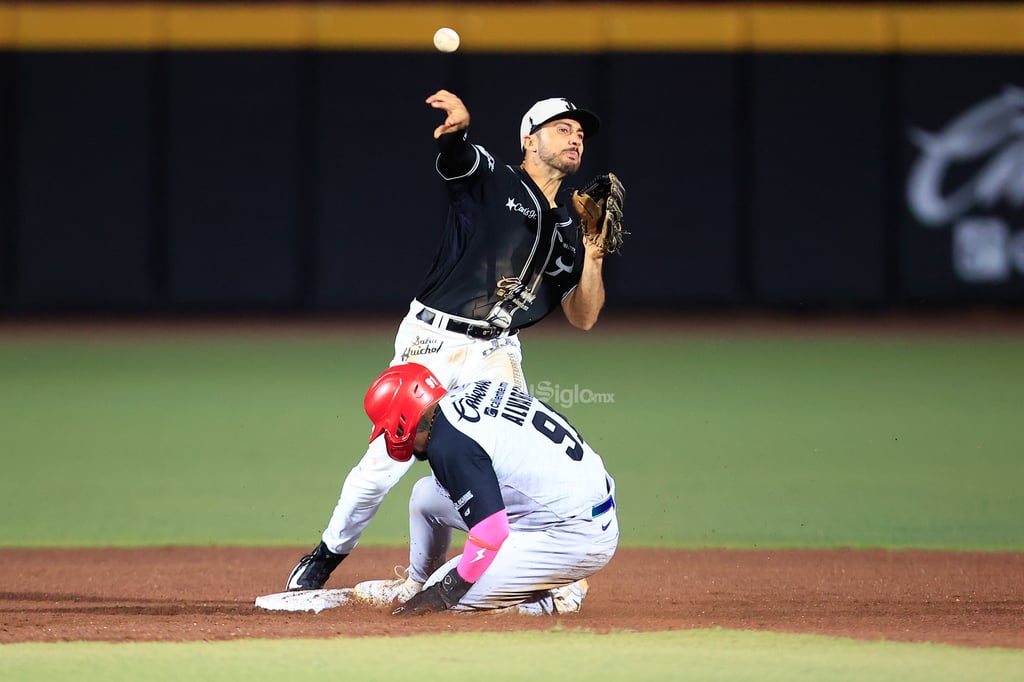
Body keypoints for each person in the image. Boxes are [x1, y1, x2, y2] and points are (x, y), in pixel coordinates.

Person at [285, 89, 613, 593]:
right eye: (562, 128)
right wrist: (458, 130)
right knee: (385, 461)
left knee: (510, 456)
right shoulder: (495, 178)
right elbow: (456, 158)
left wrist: (593, 256)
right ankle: (326, 556)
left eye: (580, 133)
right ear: (529, 138)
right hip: (434, 339)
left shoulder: (570, 224)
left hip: (498, 350)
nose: (575, 138)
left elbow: (584, 316)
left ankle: (534, 570)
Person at [352, 363, 618, 615]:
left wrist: (446, 592)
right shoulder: (467, 394)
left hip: (574, 535)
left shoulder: (449, 446)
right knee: (425, 496)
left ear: (402, 424)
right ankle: (415, 585)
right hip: (570, 502)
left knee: (449, 601)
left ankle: (557, 600)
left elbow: (492, 531)